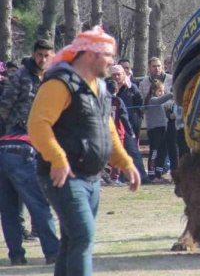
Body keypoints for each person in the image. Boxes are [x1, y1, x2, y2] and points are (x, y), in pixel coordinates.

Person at [27, 27, 140, 276]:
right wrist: (57, 158)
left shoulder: (99, 87)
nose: (112, 62)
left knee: (71, 241)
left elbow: (107, 131)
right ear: (89, 54)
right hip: (65, 176)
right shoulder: (59, 84)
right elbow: (37, 124)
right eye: (108, 55)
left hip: (91, 178)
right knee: (83, 236)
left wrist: (126, 163)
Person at [0, 39, 59, 266]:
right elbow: (4, 108)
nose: (43, 59)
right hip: (19, 144)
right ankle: (52, 252)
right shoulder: (20, 76)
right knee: (36, 204)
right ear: (33, 55)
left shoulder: (51, 78)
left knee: (11, 208)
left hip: (23, 146)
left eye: (47, 55)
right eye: (39, 55)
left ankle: (16, 255)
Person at [110, 65, 148, 184]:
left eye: (118, 74)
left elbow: (140, 102)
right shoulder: (108, 88)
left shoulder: (132, 88)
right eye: (114, 75)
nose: (116, 77)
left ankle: (142, 176)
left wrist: (137, 116)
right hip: (112, 126)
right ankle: (118, 178)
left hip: (128, 124)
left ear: (123, 74)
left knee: (133, 150)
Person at [143, 80, 173, 181]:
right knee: (154, 151)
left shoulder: (161, 101)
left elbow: (167, 104)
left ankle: (158, 174)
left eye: (163, 91)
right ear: (153, 91)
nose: (162, 93)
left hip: (162, 128)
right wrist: (171, 94)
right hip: (154, 130)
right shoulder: (152, 100)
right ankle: (151, 175)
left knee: (163, 151)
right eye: (160, 91)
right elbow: (160, 100)